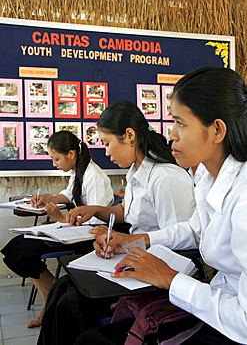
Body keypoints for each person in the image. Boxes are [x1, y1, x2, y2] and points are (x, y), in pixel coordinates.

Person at [76, 66, 247, 345]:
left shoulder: (243, 201)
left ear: (216, 130)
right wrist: (136, 241)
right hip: (215, 301)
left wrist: (170, 279)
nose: (172, 135)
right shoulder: (205, 175)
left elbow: (244, 321)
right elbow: (194, 230)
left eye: (181, 123)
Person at [37, 100, 196, 345]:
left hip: (155, 268)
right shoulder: (136, 172)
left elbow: (181, 240)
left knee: (72, 302)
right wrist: (98, 212)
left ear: (129, 136)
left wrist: (130, 243)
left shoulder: (166, 177)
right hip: (136, 254)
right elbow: (128, 213)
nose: (107, 152)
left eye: (108, 143)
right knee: (60, 288)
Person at [1, 130, 114, 328]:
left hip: (87, 236)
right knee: (14, 248)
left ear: (71, 154)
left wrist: (61, 219)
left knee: (22, 251)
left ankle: (54, 297)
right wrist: (48, 199)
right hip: (73, 229)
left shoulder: (94, 176)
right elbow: (68, 195)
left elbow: (97, 221)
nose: (54, 164)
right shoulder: (79, 171)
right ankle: (52, 295)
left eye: (56, 159)